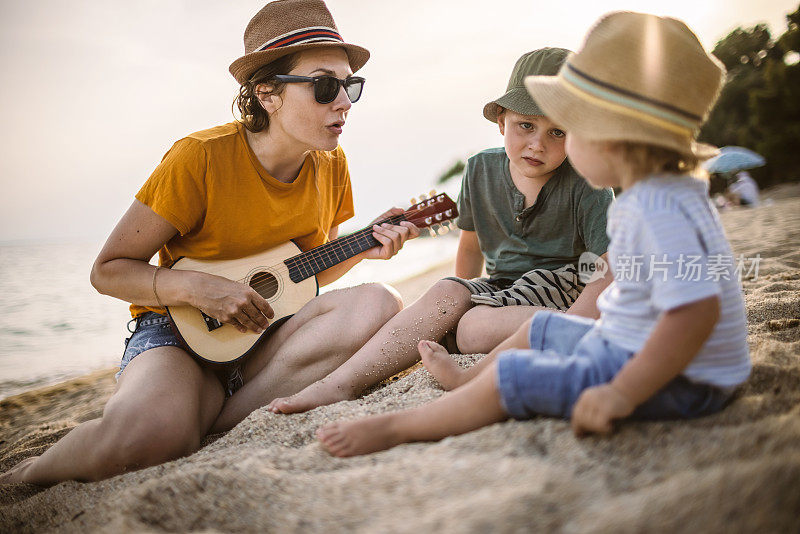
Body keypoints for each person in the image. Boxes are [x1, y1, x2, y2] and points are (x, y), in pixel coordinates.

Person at [0, 0, 418, 486]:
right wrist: (201, 290)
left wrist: (364, 246)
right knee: (148, 439)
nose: (343, 101)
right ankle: (25, 475)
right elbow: (109, 269)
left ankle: (210, 419)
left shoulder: (331, 165)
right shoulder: (199, 158)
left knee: (379, 302)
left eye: (350, 86)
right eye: (326, 86)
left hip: (266, 334)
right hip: (179, 334)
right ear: (267, 93)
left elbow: (300, 274)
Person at [316, 11, 751, 457]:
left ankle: (400, 428)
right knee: (538, 330)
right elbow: (630, 279)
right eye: (530, 125)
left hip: (681, 380)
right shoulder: (663, 193)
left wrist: (621, 393)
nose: (546, 145)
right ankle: (467, 379)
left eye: (567, 131)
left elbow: (695, 314)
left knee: (515, 378)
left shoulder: (654, 208)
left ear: (611, 136)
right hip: (637, 346)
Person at [266, 48, 614, 415]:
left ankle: (578, 333)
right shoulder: (481, 169)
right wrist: (460, 299)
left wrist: (577, 321)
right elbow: (470, 247)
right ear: (501, 120)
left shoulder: (587, 184)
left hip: (562, 287)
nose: (537, 143)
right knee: (447, 291)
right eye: (526, 125)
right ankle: (339, 384)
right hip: (505, 289)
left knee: (472, 331)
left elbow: (606, 270)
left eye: (557, 132)